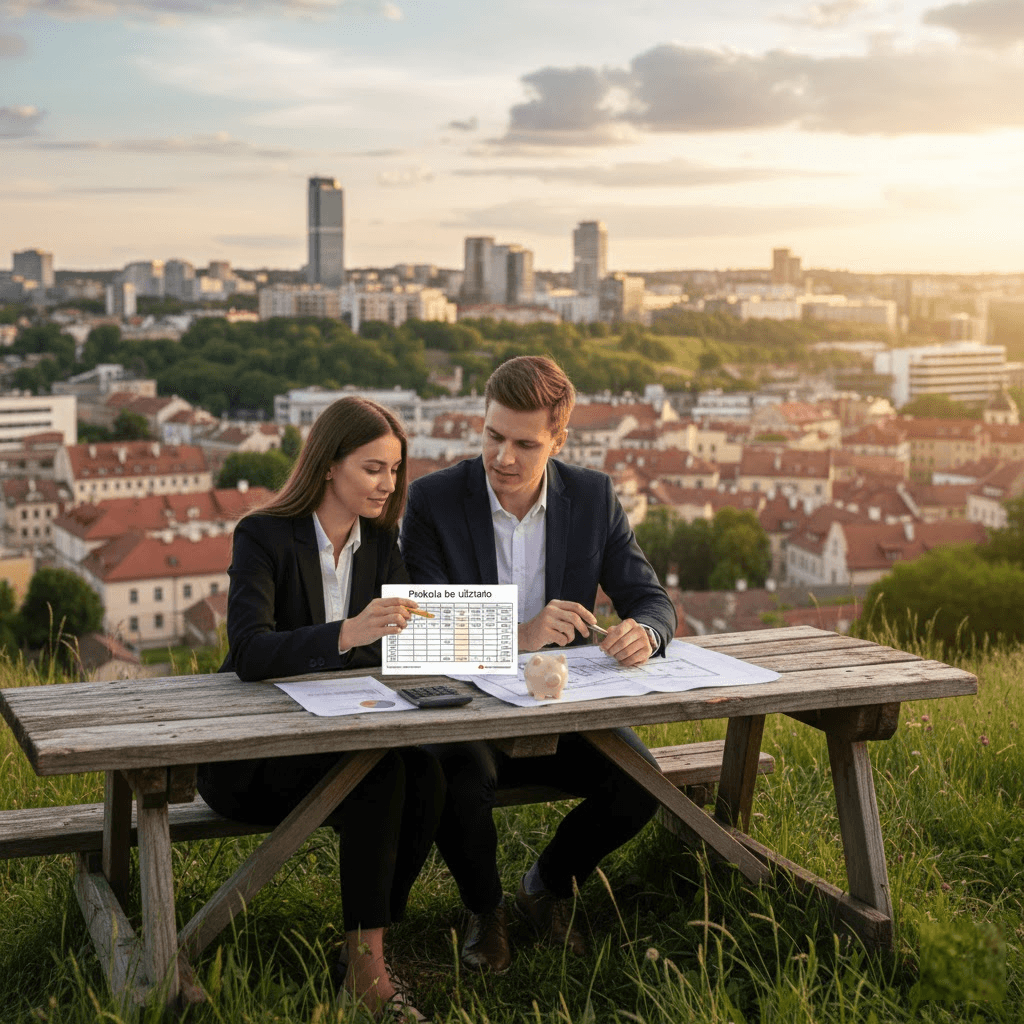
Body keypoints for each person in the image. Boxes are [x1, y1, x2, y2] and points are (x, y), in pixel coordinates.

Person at [400, 355, 677, 973]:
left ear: (559, 439)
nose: (503, 458)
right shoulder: (433, 500)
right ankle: (485, 910)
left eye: (526, 444)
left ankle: (545, 886)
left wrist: (647, 634)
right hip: (467, 708)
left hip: (561, 705)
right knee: (455, 779)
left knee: (638, 784)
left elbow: (653, 601)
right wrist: (520, 634)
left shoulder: (593, 497)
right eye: (493, 436)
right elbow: (418, 630)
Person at [198, 396, 443, 1021]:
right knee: (382, 774)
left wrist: (509, 635)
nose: (388, 485)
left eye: (394, 470)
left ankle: (367, 944)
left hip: (340, 733)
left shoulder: (383, 543)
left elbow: (410, 639)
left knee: (431, 774)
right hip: (253, 756)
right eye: (372, 469)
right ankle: (366, 970)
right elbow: (250, 651)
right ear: (328, 465)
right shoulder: (264, 535)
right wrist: (348, 633)